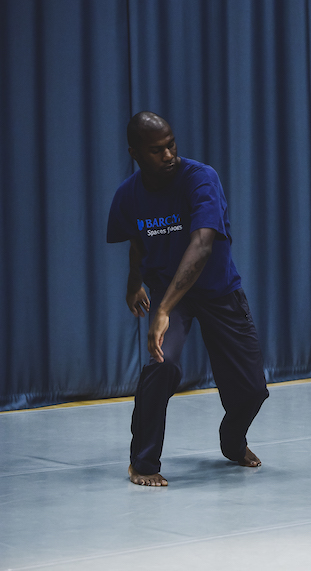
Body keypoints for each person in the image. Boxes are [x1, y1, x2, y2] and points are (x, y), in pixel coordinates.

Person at [107, 111, 270, 487]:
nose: (168, 156)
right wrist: (135, 284)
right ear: (135, 153)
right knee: (161, 365)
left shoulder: (200, 178)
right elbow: (137, 243)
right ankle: (143, 463)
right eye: (156, 150)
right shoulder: (127, 196)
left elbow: (201, 246)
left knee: (252, 390)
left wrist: (161, 310)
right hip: (170, 294)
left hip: (218, 290)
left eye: (171, 145)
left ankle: (232, 440)